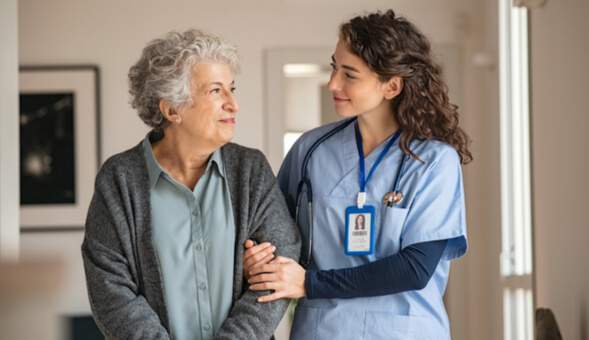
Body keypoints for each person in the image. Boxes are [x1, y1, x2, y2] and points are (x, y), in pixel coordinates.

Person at [243, 10, 471, 339]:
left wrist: (308, 284)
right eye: (335, 67)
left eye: (349, 74)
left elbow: (415, 268)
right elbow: (271, 234)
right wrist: (256, 260)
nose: (332, 83)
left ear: (391, 86)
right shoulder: (310, 149)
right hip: (322, 330)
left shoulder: (434, 162)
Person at [81, 28, 301, 340]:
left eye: (231, 88)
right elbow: (111, 291)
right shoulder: (119, 179)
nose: (233, 104)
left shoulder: (250, 170)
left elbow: (280, 267)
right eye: (216, 91)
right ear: (172, 109)